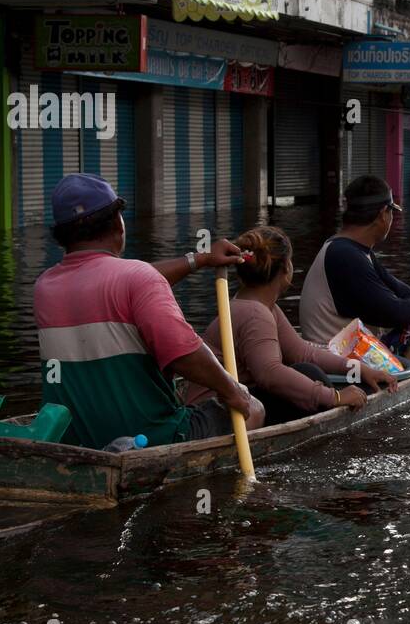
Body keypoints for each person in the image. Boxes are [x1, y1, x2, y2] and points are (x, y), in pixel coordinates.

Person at [34, 173, 264, 450]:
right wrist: (232, 390)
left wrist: (200, 259)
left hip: (75, 442)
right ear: (117, 224)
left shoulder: (44, 287)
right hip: (148, 439)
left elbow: (120, 281)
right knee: (255, 407)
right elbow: (184, 354)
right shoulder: (137, 278)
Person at [184, 226, 397, 425]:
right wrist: (335, 397)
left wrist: (360, 369)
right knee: (310, 374)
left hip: (230, 403)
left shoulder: (263, 307)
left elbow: (302, 352)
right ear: (286, 268)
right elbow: (270, 374)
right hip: (215, 413)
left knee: (307, 369)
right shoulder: (255, 314)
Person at [301, 175, 410, 369]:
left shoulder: (350, 248)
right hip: (338, 359)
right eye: (392, 212)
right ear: (384, 213)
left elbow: (403, 293)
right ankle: (399, 385)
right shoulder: (344, 255)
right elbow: (396, 313)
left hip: (349, 349)